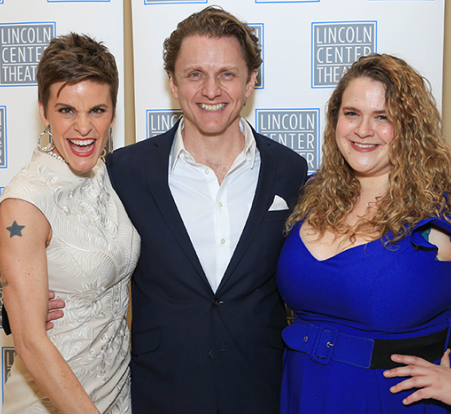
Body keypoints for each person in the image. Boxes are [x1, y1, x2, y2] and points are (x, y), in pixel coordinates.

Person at [43, 6, 307, 413]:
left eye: (227, 74)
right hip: (160, 393)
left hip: (262, 390)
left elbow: (316, 269)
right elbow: (72, 248)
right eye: (195, 74)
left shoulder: (290, 170)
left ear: (252, 80)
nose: (211, 90)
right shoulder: (125, 171)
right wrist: (28, 305)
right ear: (172, 82)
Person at [276, 53, 451, 413]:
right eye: (352, 114)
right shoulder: (311, 195)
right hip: (307, 391)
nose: (364, 130)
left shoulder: (450, 207)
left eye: (383, 117)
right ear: (335, 121)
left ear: (410, 127)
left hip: (401, 402)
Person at [0, 33, 139, 413]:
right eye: (66, 110)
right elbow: (29, 342)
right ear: (43, 110)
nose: (84, 128)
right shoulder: (23, 205)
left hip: (116, 392)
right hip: (54, 402)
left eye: (97, 110)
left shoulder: (107, 173)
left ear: (113, 111)